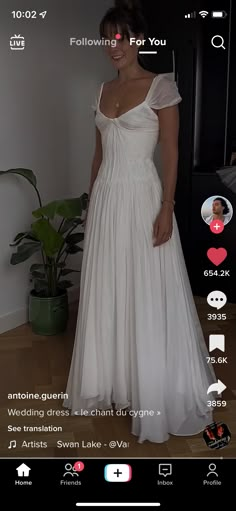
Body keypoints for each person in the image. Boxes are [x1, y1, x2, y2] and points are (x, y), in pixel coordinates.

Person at [63, 1, 216, 444]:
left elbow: (170, 151)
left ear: (138, 40)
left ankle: (155, 386)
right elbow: (99, 154)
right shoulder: (100, 91)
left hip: (144, 197)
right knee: (110, 285)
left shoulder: (160, 87)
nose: (115, 46)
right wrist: (92, 203)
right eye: (108, 37)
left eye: (123, 37)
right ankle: (115, 380)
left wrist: (167, 206)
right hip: (109, 198)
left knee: (146, 287)